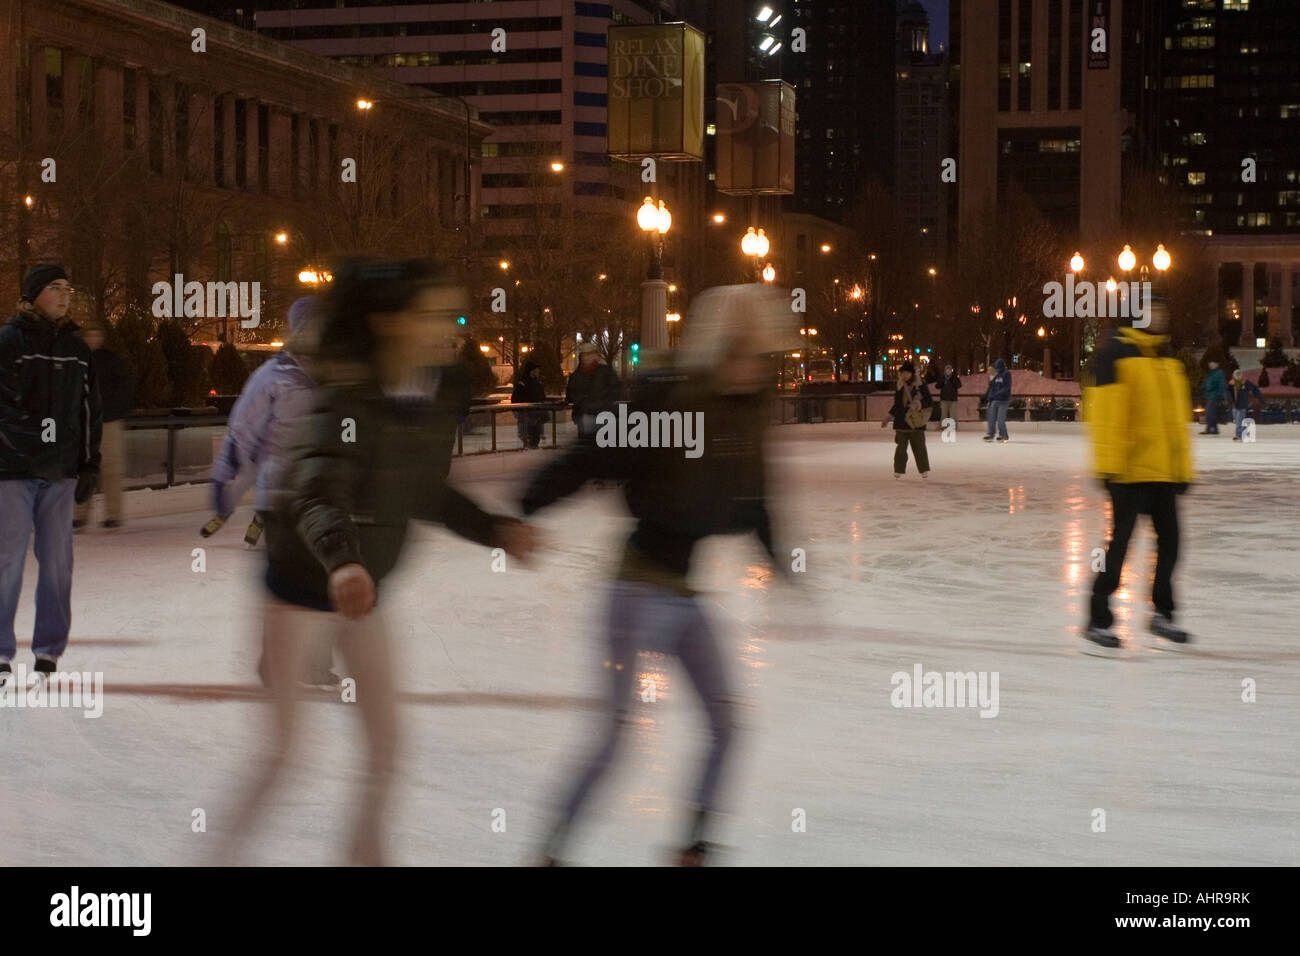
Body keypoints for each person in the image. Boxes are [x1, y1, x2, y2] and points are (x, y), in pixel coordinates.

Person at [223, 259, 535, 865]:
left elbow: (424, 491)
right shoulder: (344, 399)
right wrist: (342, 562)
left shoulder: (431, 396)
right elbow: (317, 493)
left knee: (387, 749)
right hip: (300, 587)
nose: (453, 328)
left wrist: (495, 529)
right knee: (285, 756)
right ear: (389, 323)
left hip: (365, 593)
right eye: (436, 315)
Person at [521, 284, 794, 866]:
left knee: (727, 724)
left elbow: (756, 500)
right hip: (636, 589)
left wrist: (781, 562)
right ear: (722, 349)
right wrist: (535, 497)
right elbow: (598, 452)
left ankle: (693, 849)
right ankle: (550, 852)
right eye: (751, 352)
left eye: (767, 355)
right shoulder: (671, 403)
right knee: (618, 733)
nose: (761, 365)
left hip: (685, 595)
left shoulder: (744, 417)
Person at [0, 265, 101, 683]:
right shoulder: (10, 341)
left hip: (60, 474)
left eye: (68, 287)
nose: (65, 294)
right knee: (6, 561)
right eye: (56, 288)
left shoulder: (77, 348)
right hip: (13, 472)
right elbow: (5, 407)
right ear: (34, 294)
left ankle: (48, 650)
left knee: (58, 562)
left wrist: (89, 461)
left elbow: (88, 409)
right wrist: (33, 447)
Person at [1083, 296, 1193, 652]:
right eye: (1153, 312)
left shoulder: (1167, 359)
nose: (1161, 317)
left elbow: (1177, 423)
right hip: (1128, 473)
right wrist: (1109, 467)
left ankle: (1162, 614)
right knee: (1121, 547)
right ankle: (1098, 617)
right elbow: (1105, 417)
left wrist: (1182, 469)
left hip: (1161, 472)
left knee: (1173, 543)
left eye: (1164, 311)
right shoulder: (1116, 354)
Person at [203, 297, 318, 549]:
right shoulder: (273, 376)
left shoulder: (331, 375)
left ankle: (264, 517)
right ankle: (246, 514)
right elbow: (244, 426)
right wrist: (225, 477)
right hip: (271, 464)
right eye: (310, 326)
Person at [72, 319, 131, 531]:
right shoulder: (78, 361)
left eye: (97, 335)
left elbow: (124, 388)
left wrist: (111, 412)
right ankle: (79, 514)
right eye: (90, 335)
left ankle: (113, 514)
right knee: (84, 469)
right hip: (86, 423)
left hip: (108, 421)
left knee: (111, 469)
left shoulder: (110, 361)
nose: (93, 339)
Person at [881, 360, 933, 478]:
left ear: (912, 373)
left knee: (919, 448)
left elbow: (929, 401)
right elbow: (897, 404)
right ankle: (898, 469)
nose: (904, 375)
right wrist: (889, 416)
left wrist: (917, 404)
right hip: (901, 422)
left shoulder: (920, 385)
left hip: (915, 422)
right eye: (902, 373)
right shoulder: (900, 385)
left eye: (906, 373)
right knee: (900, 449)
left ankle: (923, 469)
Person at [564, 342, 620, 441]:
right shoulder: (576, 376)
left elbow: (616, 391)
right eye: (585, 355)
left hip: (602, 415)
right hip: (584, 415)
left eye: (589, 354)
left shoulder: (605, 372)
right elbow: (571, 395)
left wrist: (603, 403)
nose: (587, 357)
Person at [512, 359, 546, 449]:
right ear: (532, 371)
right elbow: (516, 399)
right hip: (526, 415)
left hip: (536, 415)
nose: (538, 372)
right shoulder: (523, 384)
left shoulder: (538, 383)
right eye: (536, 370)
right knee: (527, 437)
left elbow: (542, 397)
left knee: (535, 437)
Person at [1227, 369, 1264, 442]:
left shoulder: (1245, 383)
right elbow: (1226, 392)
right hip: (1234, 405)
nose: (1238, 376)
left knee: (1239, 420)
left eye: (1239, 375)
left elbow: (1255, 389)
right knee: (1236, 420)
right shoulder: (1231, 384)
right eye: (1236, 375)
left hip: (1242, 405)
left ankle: (1239, 435)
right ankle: (1245, 432)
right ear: (1234, 376)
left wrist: (1261, 398)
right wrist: (1229, 399)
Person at [983, 358, 1011, 442]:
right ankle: (990, 434)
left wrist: (998, 394)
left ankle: (1004, 435)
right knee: (991, 418)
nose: (997, 369)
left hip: (1003, 400)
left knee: (1000, 419)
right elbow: (992, 388)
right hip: (994, 400)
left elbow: (1007, 387)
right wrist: (989, 398)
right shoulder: (997, 375)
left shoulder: (1007, 374)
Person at [1200, 360, 1225, 434]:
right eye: (1210, 364)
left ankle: (1211, 429)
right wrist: (1202, 387)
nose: (1210, 365)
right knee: (1210, 413)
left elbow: (1221, 384)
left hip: (1214, 396)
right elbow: (1208, 383)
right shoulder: (1211, 373)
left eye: (1213, 364)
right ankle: (1213, 429)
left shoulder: (1219, 373)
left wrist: (1219, 395)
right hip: (1210, 395)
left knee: (1209, 412)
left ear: (1217, 364)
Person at [937, 363, 961, 430]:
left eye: (949, 370)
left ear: (951, 371)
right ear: (945, 371)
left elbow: (959, 385)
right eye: (947, 370)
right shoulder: (942, 378)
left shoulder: (954, 378)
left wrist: (953, 380)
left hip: (953, 399)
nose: (948, 371)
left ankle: (952, 426)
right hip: (944, 399)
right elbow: (937, 386)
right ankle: (943, 426)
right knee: (943, 414)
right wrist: (942, 381)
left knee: (952, 414)